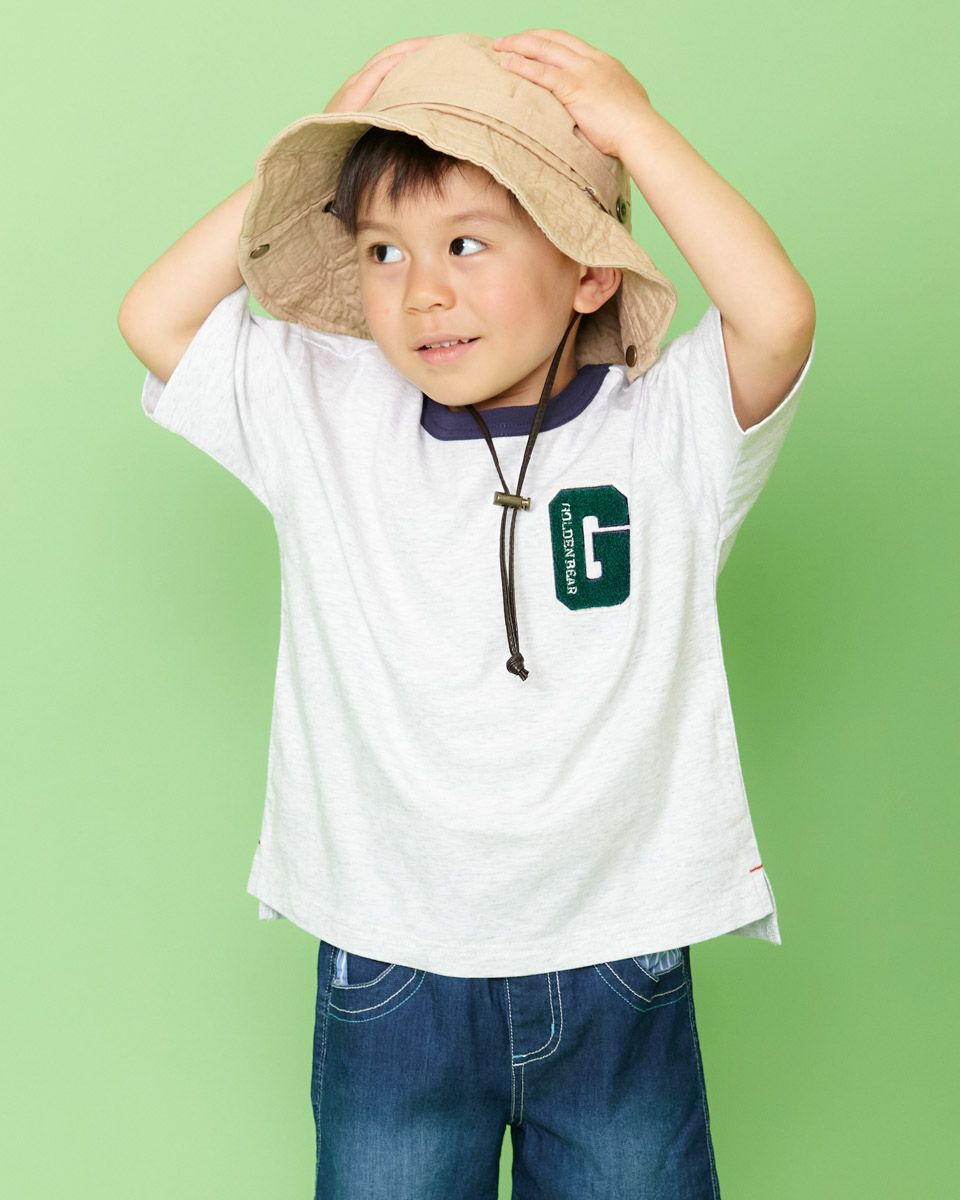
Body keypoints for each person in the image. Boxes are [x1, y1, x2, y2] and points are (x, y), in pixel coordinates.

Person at [117, 29, 816, 1200]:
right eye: (382, 251)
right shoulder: (328, 411)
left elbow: (778, 318)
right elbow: (156, 317)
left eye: (469, 243)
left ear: (589, 271)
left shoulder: (668, 431)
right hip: (393, 959)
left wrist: (636, 131)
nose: (422, 289)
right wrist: (306, 154)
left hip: (617, 951)